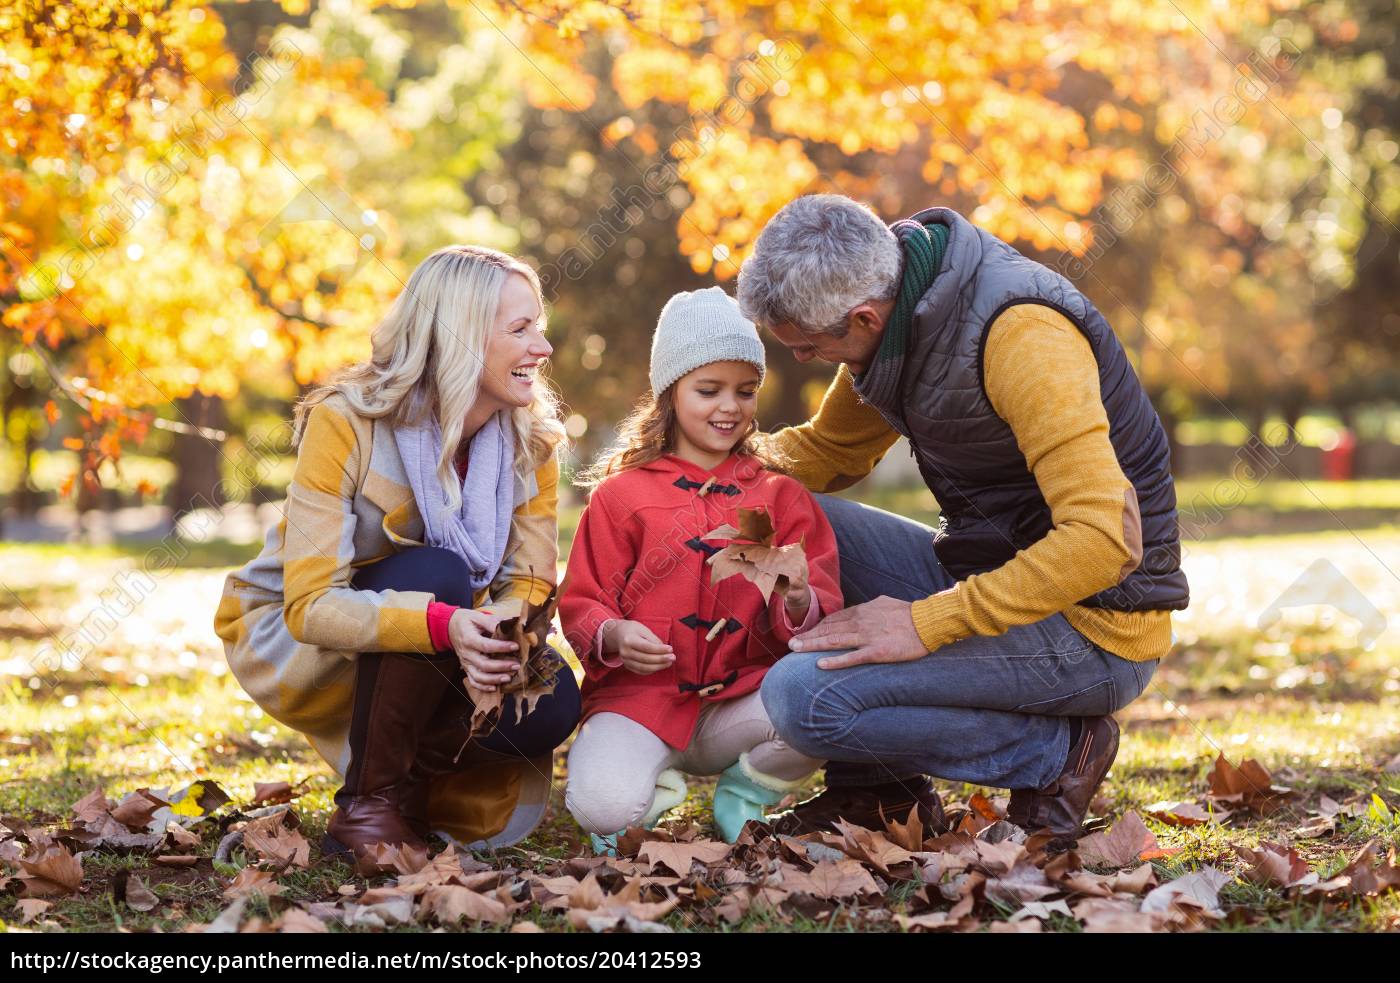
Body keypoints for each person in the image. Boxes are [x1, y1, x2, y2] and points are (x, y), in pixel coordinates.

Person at [735, 194, 1189, 843]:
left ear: (862, 316)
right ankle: (878, 794)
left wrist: (927, 622)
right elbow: (829, 449)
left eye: (809, 346)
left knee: (804, 698)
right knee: (790, 523)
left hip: (1096, 623)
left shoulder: (1020, 335)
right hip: (994, 575)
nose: (804, 361)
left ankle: (1059, 753)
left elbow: (1103, 539)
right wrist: (698, 466)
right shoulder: (897, 323)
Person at [215, 245, 580, 871]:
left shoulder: (534, 440)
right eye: (520, 330)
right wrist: (447, 624)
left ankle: (407, 787)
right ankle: (368, 805)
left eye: (538, 327)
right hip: (305, 640)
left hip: (446, 638)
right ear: (460, 338)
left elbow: (530, 577)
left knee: (554, 696)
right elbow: (310, 605)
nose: (542, 349)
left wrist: (497, 632)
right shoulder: (349, 422)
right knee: (435, 572)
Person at [559, 287, 842, 851]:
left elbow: (820, 606)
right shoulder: (622, 496)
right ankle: (653, 785)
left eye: (745, 391)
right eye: (708, 390)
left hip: (742, 699)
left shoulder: (780, 496)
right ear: (670, 393)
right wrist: (613, 632)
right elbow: (582, 600)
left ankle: (745, 792)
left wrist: (797, 600)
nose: (729, 407)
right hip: (642, 701)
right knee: (602, 808)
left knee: (825, 701)